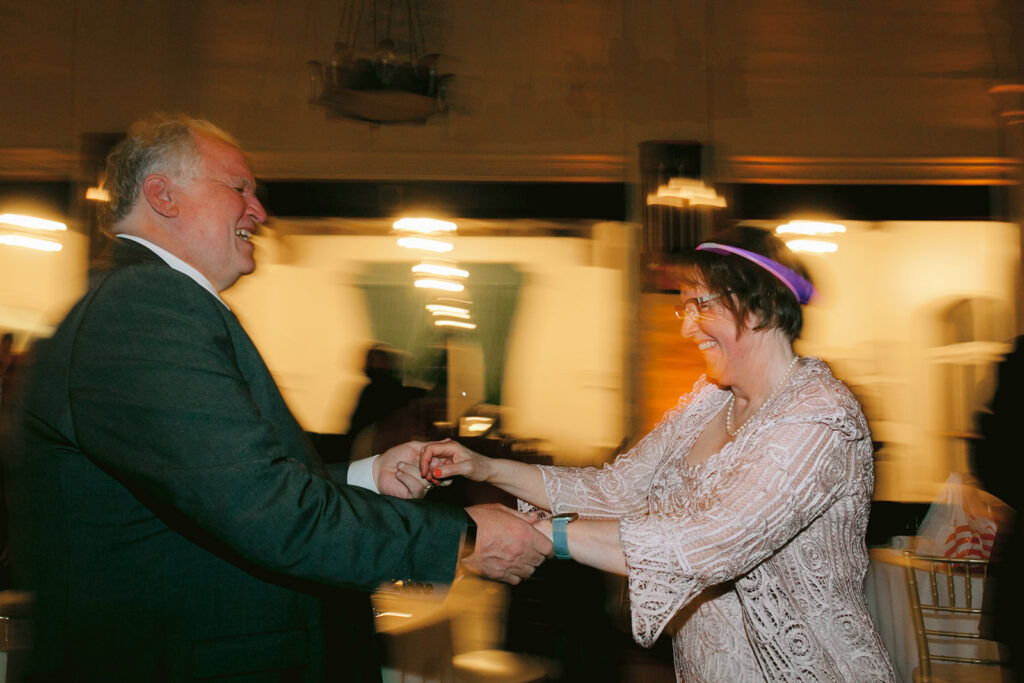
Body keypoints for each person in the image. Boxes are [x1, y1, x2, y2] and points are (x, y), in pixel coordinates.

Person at [11, 114, 550, 682]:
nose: (259, 211)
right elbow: (263, 510)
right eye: (239, 188)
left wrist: (365, 476)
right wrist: (461, 536)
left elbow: (217, 487)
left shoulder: (152, 303)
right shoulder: (145, 308)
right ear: (162, 195)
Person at [420, 226, 895, 681]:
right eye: (682, 308)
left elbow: (711, 542)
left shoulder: (821, 414)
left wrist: (549, 535)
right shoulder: (710, 401)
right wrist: (488, 467)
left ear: (761, 305)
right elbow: (614, 490)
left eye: (699, 305)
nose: (687, 327)